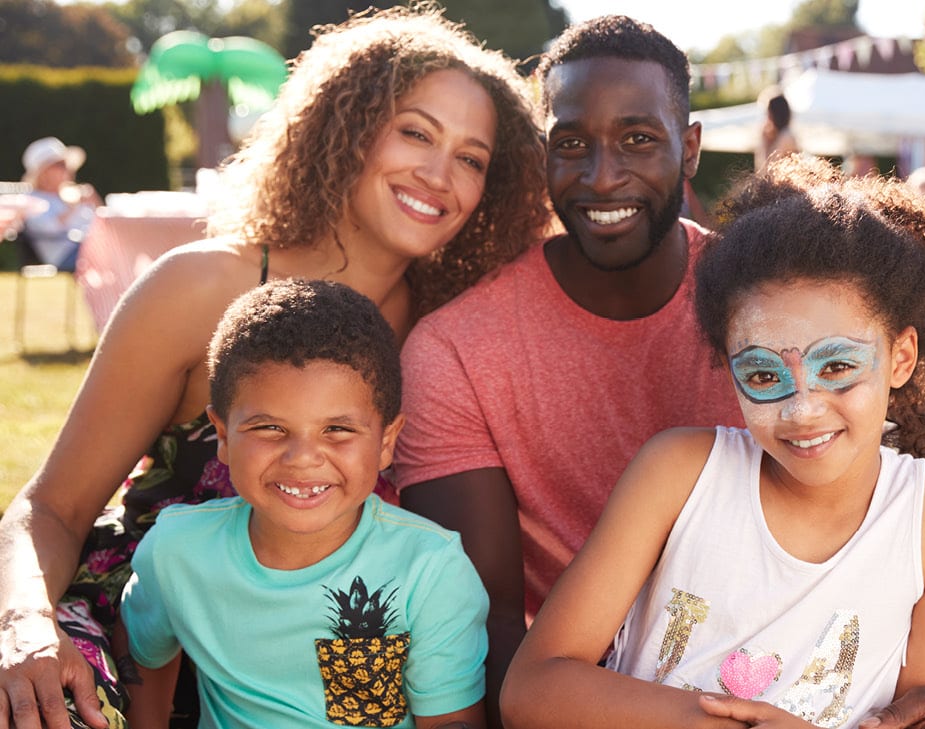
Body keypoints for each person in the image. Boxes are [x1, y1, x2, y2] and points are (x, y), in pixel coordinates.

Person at [397, 14, 925, 729]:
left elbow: (882, 533)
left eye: (639, 139)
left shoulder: (777, 288)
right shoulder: (464, 349)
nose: (604, 174)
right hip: (642, 675)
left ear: (691, 146)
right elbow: (488, 637)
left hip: (838, 650)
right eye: (572, 143)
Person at [0, 6, 550, 727]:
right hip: (140, 640)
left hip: (327, 673)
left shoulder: (448, 337)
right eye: (415, 131)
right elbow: (52, 506)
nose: (439, 173)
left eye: (472, 158)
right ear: (348, 128)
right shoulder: (200, 288)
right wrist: (22, 626)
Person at [501, 154, 925, 728]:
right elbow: (532, 690)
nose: (803, 409)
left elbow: (920, 716)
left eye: (837, 367)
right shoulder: (679, 473)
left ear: (901, 357)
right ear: (730, 370)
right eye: (764, 375)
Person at [116, 279, 489, 728]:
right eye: (270, 428)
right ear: (222, 435)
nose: (303, 458)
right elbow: (143, 654)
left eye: (338, 430)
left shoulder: (431, 569)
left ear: (387, 441)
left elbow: (454, 721)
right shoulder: (176, 552)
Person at [18, 136, 101, 270]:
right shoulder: (31, 199)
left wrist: (95, 202)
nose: (67, 168)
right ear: (43, 172)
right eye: (60, 165)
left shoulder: (70, 194)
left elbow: (100, 224)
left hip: (91, 247)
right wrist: (73, 207)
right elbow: (49, 227)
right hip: (65, 255)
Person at [755, 86, 800, 172]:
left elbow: (766, 170)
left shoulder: (786, 136)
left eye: (768, 113)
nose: (766, 117)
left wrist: (764, 142)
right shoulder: (781, 135)